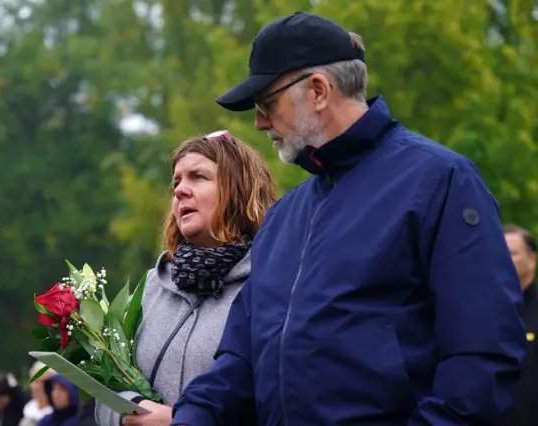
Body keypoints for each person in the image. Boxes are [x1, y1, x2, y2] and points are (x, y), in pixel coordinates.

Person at [170, 11, 527, 426]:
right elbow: (241, 359)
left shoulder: (440, 182)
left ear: (318, 90)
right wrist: (193, 416)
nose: (259, 121)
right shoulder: (283, 217)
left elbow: (482, 358)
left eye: (267, 103)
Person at [95, 131, 277, 426]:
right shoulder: (150, 288)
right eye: (176, 181)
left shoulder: (272, 285)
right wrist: (127, 416)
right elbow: (104, 391)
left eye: (198, 177)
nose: (179, 190)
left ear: (239, 190)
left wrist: (183, 421)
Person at [499, 224, 538, 426]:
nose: (504, 258)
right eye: (499, 252)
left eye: (512, 253)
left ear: (532, 260)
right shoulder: (483, 309)